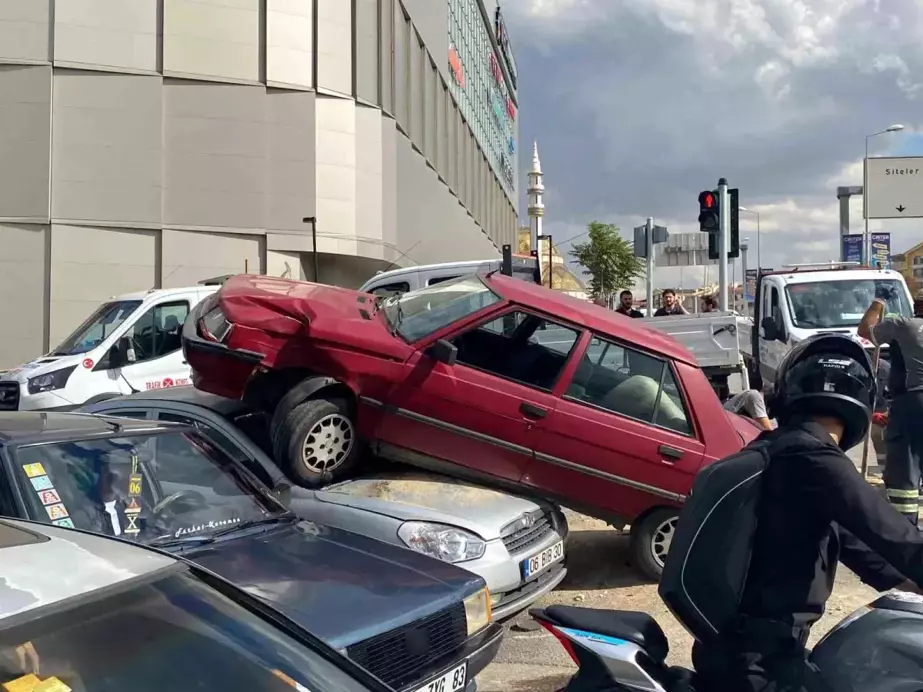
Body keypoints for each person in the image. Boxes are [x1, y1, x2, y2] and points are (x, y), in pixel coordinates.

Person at [691, 333, 923, 692]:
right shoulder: (813, 458)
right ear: (863, 397)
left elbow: (859, 544)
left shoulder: (780, 448)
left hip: (737, 649)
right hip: (762, 662)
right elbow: (899, 538)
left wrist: (910, 586)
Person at [857, 287, 923, 524]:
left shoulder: (904, 325)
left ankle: (906, 533)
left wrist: (878, 301)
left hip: (912, 402)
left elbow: (865, 330)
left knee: (905, 467)